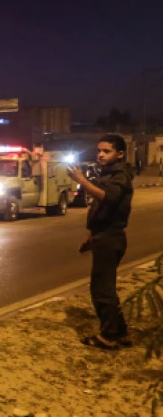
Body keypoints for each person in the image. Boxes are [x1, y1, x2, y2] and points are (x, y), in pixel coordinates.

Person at [68, 133, 134, 350]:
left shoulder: (121, 175)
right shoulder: (107, 175)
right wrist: (89, 236)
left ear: (120, 154)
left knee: (102, 290)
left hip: (111, 237)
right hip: (102, 236)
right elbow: (99, 209)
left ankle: (108, 336)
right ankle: (121, 333)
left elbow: (108, 198)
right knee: (105, 288)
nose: (101, 155)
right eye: (99, 150)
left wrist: (81, 180)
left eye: (107, 151)